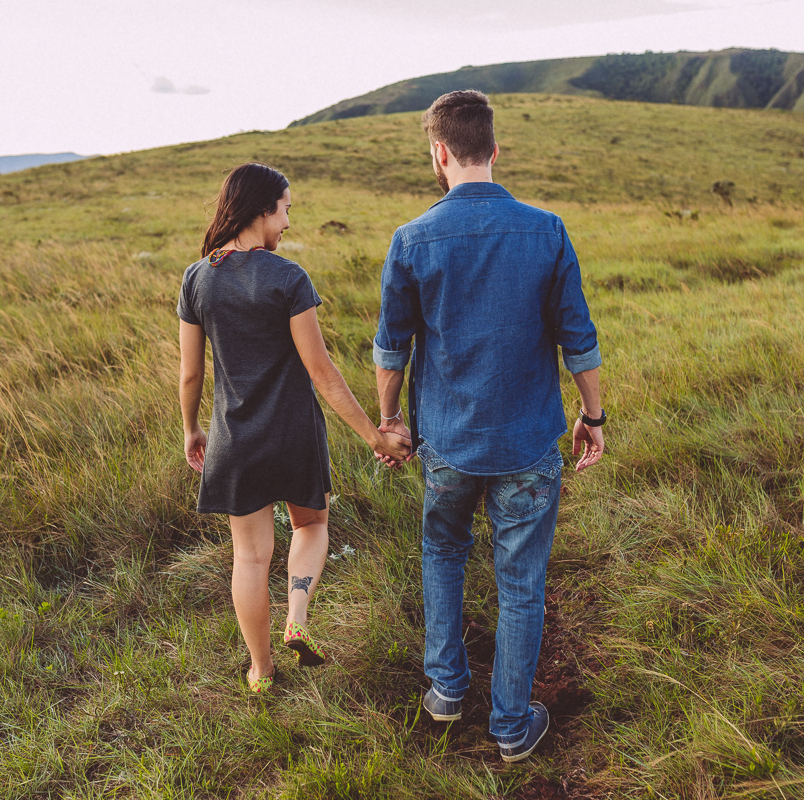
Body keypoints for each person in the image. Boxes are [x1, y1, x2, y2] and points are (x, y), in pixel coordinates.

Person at [371, 91, 606, 762]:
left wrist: (391, 422)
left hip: (446, 440)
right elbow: (579, 341)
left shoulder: (411, 239)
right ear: (495, 152)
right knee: (521, 582)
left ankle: (445, 691)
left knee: (444, 552)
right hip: (529, 442)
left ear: (439, 153)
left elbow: (393, 352)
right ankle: (510, 726)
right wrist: (593, 417)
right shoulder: (548, 229)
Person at [178, 162, 411, 693]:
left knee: (249, 556)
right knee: (310, 526)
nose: (288, 222)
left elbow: (191, 372)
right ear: (262, 210)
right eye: (285, 210)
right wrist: (376, 437)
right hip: (293, 434)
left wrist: (192, 429)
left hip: (232, 440)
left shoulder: (197, 278)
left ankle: (259, 670)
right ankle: (298, 618)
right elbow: (321, 371)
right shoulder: (288, 279)